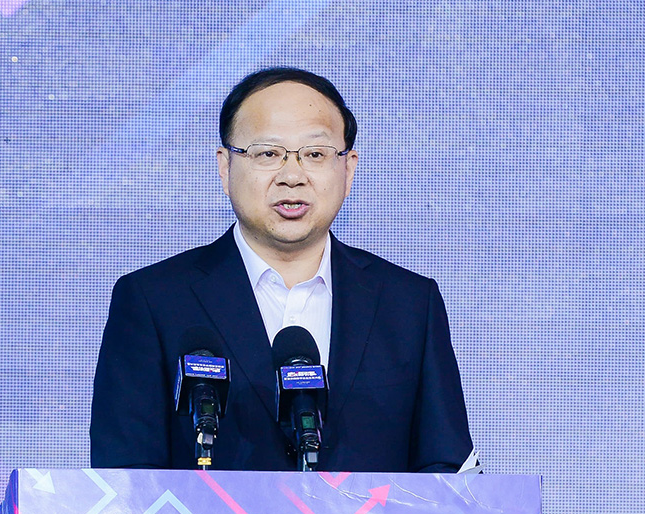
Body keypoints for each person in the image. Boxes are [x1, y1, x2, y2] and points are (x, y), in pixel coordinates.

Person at [90, 67, 474, 472]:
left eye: (315, 154)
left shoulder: (409, 304)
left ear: (348, 169)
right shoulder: (153, 301)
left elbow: (446, 473)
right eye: (267, 153)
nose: (292, 176)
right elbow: (124, 480)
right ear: (225, 167)